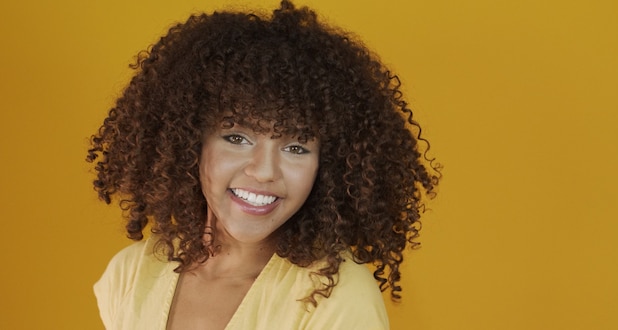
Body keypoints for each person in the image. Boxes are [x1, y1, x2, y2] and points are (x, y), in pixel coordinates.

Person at [88, 1, 441, 329]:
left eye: (296, 147)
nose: (265, 171)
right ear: (189, 142)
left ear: (328, 165)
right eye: (237, 138)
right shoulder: (132, 274)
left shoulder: (334, 296)